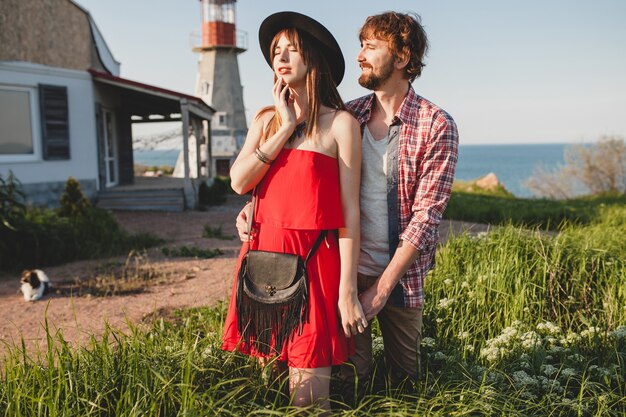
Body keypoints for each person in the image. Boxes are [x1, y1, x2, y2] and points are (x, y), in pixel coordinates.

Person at [236, 11, 459, 394]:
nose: (360, 55)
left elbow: (426, 218)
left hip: (399, 279)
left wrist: (382, 288)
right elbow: (307, 178)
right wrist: (257, 205)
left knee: (404, 382)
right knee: (348, 383)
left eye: (370, 47)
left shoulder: (435, 124)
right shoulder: (350, 113)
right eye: (360, 46)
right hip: (342, 270)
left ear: (402, 57)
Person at [221, 12, 367, 411]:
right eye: (275, 51)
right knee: (268, 388)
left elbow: (349, 212)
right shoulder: (266, 120)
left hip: (315, 267)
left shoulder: (341, 125)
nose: (280, 58)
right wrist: (285, 126)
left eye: (292, 49)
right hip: (263, 263)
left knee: (308, 399)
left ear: (313, 59)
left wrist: (347, 290)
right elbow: (238, 182)